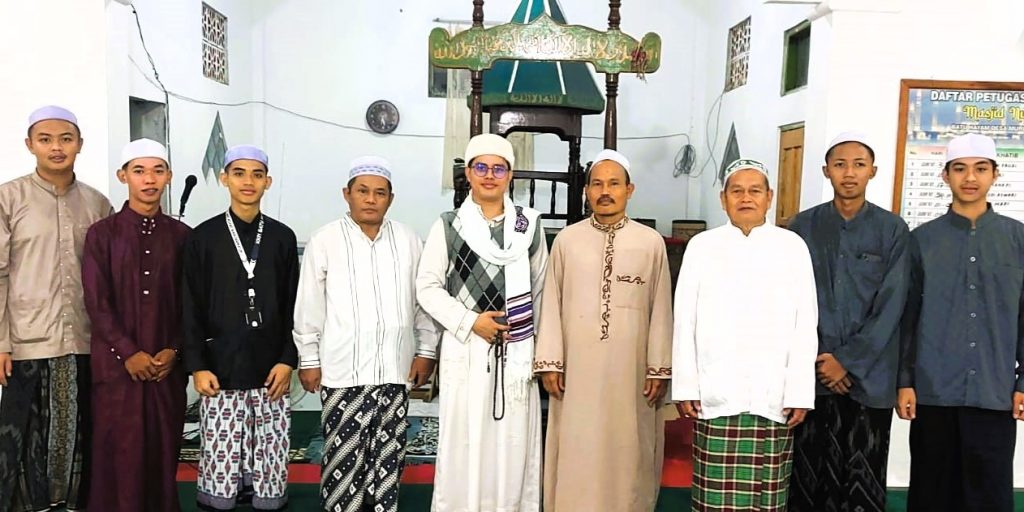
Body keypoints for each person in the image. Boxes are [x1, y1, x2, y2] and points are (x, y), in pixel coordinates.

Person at [293, 156, 438, 512]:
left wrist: (427, 351)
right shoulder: (324, 240)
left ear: (391, 198)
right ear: (347, 194)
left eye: (379, 193)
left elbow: (422, 302)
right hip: (343, 373)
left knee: (388, 462)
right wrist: (308, 359)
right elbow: (309, 306)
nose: (371, 199)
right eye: (362, 191)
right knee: (344, 464)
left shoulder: (408, 241)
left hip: (394, 370)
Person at [672, 159, 818, 512]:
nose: (746, 198)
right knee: (713, 500)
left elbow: (805, 324)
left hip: (773, 395)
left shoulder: (792, 246)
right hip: (716, 392)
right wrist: (686, 386)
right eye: (737, 191)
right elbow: (684, 321)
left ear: (769, 198)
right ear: (723, 199)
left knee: (766, 501)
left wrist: (799, 390)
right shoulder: (702, 247)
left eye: (755, 191)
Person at [534, 149, 673, 511]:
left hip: (633, 373)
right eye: (597, 184)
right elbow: (550, 303)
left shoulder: (650, 243)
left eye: (614, 183)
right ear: (587, 191)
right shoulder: (566, 241)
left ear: (630, 189)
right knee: (577, 446)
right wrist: (550, 360)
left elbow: (662, 310)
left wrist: (659, 366)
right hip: (577, 374)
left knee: (630, 449)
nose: (605, 191)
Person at [416, 134, 548, 511]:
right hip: (467, 347)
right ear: (468, 175)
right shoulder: (448, 225)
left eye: (498, 168)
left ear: (510, 175)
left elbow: (541, 290)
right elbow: (427, 286)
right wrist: (471, 321)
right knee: (466, 439)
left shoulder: (530, 227)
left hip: (517, 351)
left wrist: (532, 345)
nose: (489, 176)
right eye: (481, 167)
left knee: (512, 441)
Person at [897, 133, 1024, 512]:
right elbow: (907, 318)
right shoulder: (921, 241)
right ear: (945, 176)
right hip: (933, 392)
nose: (970, 177)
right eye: (960, 168)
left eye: (980, 168)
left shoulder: (1018, 239)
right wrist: (905, 381)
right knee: (932, 494)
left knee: (989, 495)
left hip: (994, 392)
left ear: (995, 175)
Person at [787, 132, 910, 512]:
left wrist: (849, 361)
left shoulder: (892, 230)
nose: (849, 173)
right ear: (826, 171)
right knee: (809, 481)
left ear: (873, 171)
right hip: (813, 378)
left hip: (868, 379)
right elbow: (791, 300)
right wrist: (822, 357)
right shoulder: (801, 228)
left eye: (859, 165)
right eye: (840, 164)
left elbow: (892, 305)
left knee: (862, 479)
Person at [0, 106, 111, 512]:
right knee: (25, 438)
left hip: (84, 340)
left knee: (79, 433)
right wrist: (1, 342)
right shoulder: (8, 198)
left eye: (65, 138)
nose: (56, 147)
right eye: (45, 139)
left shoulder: (98, 204)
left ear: (80, 144)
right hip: (27, 342)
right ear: (29, 145)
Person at [182, 145, 298, 511]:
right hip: (221, 364)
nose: (248, 182)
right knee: (221, 448)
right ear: (224, 179)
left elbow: (295, 304)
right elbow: (189, 305)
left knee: (270, 448)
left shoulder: (281, 237)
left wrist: (288, 359)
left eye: (257, 175)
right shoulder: (202, 237)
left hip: (271, 366)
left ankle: (266, 498)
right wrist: (197, 365)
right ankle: (219, 498)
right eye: (239, 173)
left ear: (268, 182)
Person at [82, 138, 190, 511]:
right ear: (123, 176)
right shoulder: (102, 234)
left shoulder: (182, 238)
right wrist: (128, 353)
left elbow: (190, 306)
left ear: (169, 177)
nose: (149, 180)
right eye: (139, 171)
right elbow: (97, 303)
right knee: (117, 460)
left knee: (162, 457)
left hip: (165, 371)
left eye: (157, 171)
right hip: (115, 372)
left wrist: (174, 352)